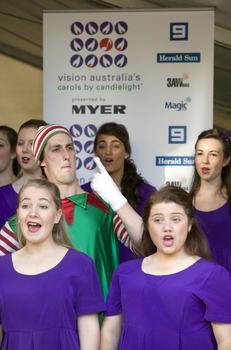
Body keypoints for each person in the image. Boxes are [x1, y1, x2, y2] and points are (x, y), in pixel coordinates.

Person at [0, 124, 143, 305]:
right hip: (53, 327)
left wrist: (118, 200)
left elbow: (145, 244)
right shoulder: (27, 219)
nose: (66, 155)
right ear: (41, 160)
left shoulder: (104, 207)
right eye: (56, 149)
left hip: (102, 325)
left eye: (69, 147)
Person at [100, 186, 231, 350]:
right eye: (158, 220)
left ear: (190, 224)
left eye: (176, 219)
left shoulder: (213, 275)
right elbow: (110, 333)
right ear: (147, 225)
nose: (166, 227)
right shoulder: (124, 273)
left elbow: (226, 341)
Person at [0, 179, 105, 350]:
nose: (33, 213)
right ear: (18, 214)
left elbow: (89, 329)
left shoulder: (81, 264)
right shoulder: (2, 268)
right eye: (26, 206)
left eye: (43, 206)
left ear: (57, 216)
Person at [82, 122, 156, 262]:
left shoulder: (147, 193)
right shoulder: (82, 192)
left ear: (127, 153)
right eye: (102, 146)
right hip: (96, 273)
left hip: (134, 273)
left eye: (115, 146)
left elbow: (155, 240)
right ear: (96, 153)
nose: (108, 152)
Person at [189, 129, 231, 275]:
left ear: (226, 160)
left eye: (213, 154)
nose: (204, 160)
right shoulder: (184, 203)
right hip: (196, 283)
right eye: (200, 153)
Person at [0, 120, 47, 230]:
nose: (25, 149)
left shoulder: (59, 191)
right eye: (20, 143)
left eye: (32, 144)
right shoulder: (2, 195)